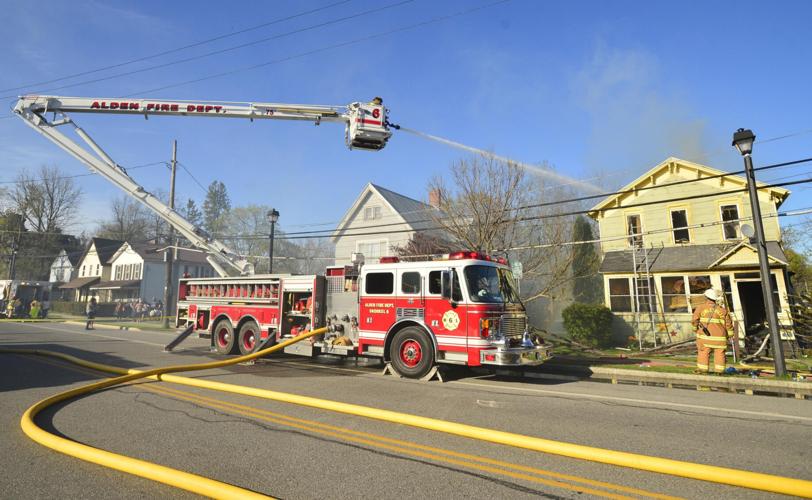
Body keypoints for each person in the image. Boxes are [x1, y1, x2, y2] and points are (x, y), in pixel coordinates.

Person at [691, 288, 734, 374]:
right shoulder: (722, 310)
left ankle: (703, 370)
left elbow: (695, 320)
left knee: (704, 352)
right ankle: (720, 371)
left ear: (706, 297)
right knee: (720, 353)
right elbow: (728, 323)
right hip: (720, 338)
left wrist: (695, 329)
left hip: (705, 337)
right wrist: (730, 333)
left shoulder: (701, 308)